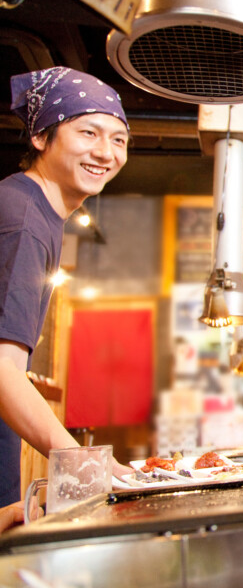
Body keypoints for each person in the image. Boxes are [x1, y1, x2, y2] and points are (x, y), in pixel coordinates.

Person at [0, 67, 132, 507]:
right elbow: (2, 370)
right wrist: (84, 466)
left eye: (119, 139)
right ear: (41, 137)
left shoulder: (36, 211)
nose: (105, 152)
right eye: (88, 132)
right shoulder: (22, 220)